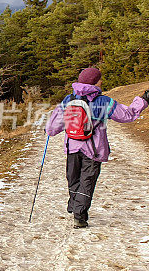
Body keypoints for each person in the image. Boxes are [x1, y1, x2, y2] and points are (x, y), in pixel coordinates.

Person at [45, 67, 149, 228]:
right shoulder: (103, 102)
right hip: (93, 150)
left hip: (72, 147)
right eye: (100, 79)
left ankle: (75, 206)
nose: (101, 81)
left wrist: (50, 129)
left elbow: (52, 128)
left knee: (73, 179)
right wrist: (144, 100)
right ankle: (79, 216)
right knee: (87, 182)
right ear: (94, 82)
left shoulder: (68, 99)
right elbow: (127, 115)